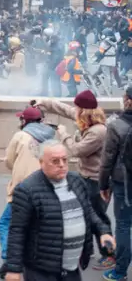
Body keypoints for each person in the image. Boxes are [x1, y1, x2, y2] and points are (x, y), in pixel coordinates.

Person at [4, 140, 114, 281]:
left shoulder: (76, 181)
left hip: (72, 268)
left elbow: (88, 212)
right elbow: (17, 231)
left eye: (64, 160)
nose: (61, 165)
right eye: (55, 161)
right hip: (41, 270)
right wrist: (13, 269)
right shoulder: (26, 190)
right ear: (41, 162)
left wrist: (103, 231)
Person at [36, 90, 113, 270]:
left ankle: (109, 254)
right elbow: (65, 110)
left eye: (77, 107)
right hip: (86, 178)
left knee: (99, 218)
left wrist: (64, 134)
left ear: (84, 111)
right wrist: (44, 102)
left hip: (96, 181)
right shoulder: (87, 120)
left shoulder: (98, 131)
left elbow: (77, 150)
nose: (75, 109)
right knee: (86, 216)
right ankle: (90, 250)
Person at [0, 106, 55, 277]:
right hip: (44, 188)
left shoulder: (20, 136)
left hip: (23, 189)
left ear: (25, 121)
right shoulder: (51, 136)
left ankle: (9, 259)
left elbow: (9, 161)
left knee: (5, 223)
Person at [99, 86, 132, 281]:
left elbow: (106, 162)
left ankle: (120, 271)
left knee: (123, 226)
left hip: (124, 184)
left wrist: (103, 185)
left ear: (126, 99)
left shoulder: (116, 126)